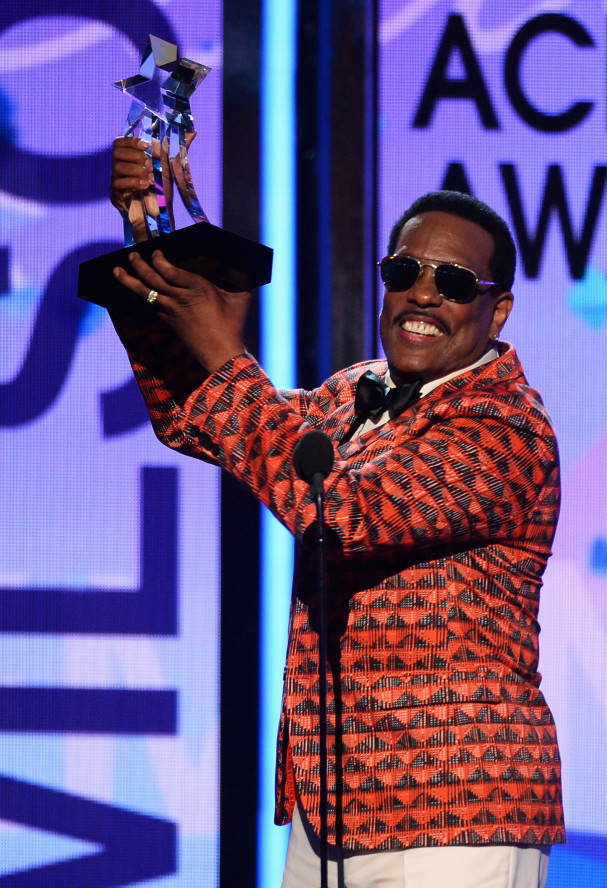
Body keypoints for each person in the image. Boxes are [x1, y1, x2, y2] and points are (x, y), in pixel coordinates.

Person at [108, 137, 565, 888]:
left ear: (498, 309)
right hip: (336, 809)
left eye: (452, 281)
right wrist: (152, 247)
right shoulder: (360, 393)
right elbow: (206, 420)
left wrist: (228, 356)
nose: (423, 294)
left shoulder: (504, 426)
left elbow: (342, 514)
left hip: (456, 816)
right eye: (404, 272)